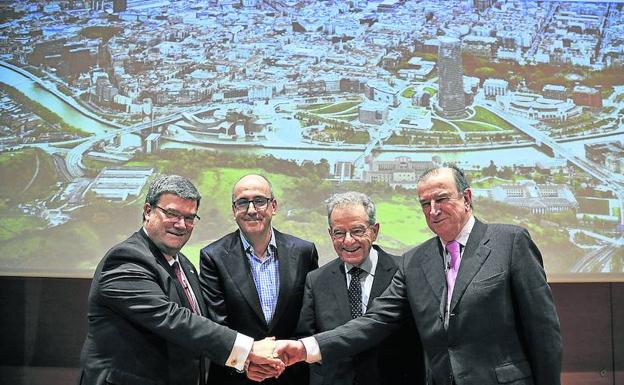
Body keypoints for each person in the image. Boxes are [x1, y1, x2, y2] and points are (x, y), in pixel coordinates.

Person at [276, 166, 563, 385]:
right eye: (425, 204)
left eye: (441, 199)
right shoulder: (414, 260)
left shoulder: (509, 242)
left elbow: (543, 330)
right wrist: (305, 348)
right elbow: (375, 320)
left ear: (467, 198)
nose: (433, 210)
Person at [78, 174, 283, 385]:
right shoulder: (126, 259)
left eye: (189, 217)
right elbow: (173, 319)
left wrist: (245, 361)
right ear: (148, 211)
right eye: (172, 214)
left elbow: (202, 325)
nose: (181, 224)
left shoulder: (184, 264)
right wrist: (248, 349)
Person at [199, 174, 319, 385]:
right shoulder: (213, 256)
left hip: (291, 374)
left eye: (259, 201)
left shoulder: (303, 252)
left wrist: (279, 361)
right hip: (236, 377)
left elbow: (308, 320)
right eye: (243, 202)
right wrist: (247, 362)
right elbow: (217, 323)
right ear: (234, 210)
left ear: (273, 206)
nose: (252, 210)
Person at [295, 191, 424, 385]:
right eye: (339, 232)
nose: (348, 241)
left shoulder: (404, 272)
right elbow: (306, 338)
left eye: (357, 231)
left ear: (374, 231)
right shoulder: (316, 280)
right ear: (330, 234)